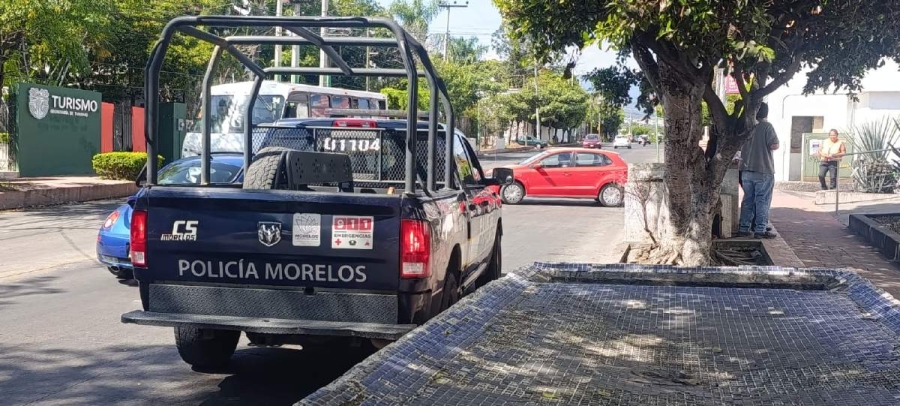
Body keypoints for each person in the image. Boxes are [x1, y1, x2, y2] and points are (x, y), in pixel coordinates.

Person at [738, 102, 779, 239]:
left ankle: (744, 227)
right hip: (763, 169)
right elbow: (774, 145)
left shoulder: (746, 127)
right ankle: (760, 229)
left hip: (745, 170)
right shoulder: (767, 126)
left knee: (748, 199)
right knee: (762, 200)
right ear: (766, 113)